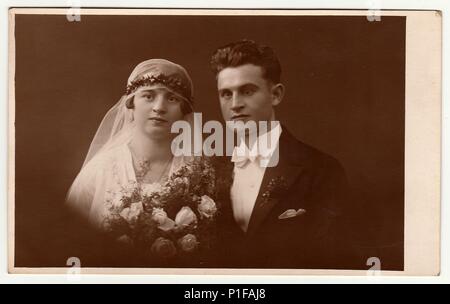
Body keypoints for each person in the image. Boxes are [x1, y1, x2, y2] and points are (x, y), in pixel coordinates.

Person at [210, 40, 356, 269]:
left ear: (276, 95)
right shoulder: (210, 172)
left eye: (247, 91)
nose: (235, 104)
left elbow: (335, 264)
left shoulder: (321, 169)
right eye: (226, 94)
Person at [66, 58, 196, 227]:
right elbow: (70, 234)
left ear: (183, 114)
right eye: (148, 96)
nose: (159, 107)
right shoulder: (100, 170)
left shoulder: (196, 172)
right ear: (131, 107)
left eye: (172, 99)